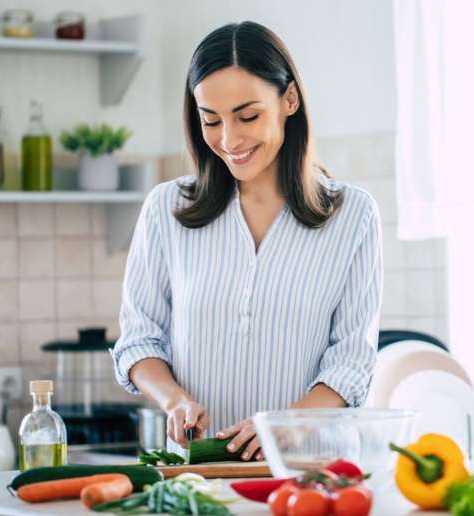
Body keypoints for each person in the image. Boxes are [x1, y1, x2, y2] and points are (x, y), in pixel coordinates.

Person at [111, 21, 382, 462]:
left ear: (289, 99)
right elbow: (141, 339)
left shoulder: (353, 216)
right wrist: (173, 399)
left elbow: (352, 360)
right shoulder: (166, 209)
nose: (229, 139)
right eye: (211, 120)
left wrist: (283, 426)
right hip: (197, 475)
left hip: (310, 474)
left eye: (248, 116)